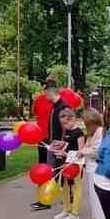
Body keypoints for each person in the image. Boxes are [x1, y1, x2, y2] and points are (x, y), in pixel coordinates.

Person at [30, 83, 68, 211]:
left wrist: (63, 144)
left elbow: (67, 128)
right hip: (53, 144)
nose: (45, 96)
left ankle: (49, 200)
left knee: (56, 173)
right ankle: (49, 199)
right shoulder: (55, 107)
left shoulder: (62, 107)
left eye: (46, 94)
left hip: (58, 145)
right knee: (53, 173)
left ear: (50, 92)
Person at [49, 108, 84, 219]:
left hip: (76, 165)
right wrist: (58, 149)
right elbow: (67, 146)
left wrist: (66, 153)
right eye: (62, 124)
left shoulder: (78, 133)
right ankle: (66, 209)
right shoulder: (67, 132)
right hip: (66, 163)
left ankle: (75, 213)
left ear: (73, 119)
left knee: (75, 188)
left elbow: (81, 151)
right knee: (64, 186)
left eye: (66, 123)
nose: (64, 126)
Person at [79, 108, 106, 219]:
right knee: (92, 195)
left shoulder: (100, 132)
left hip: (96, 168)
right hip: (91, 167)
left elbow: (97, 151)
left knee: (97, 196)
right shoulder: (92, 133)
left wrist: (83, 151)